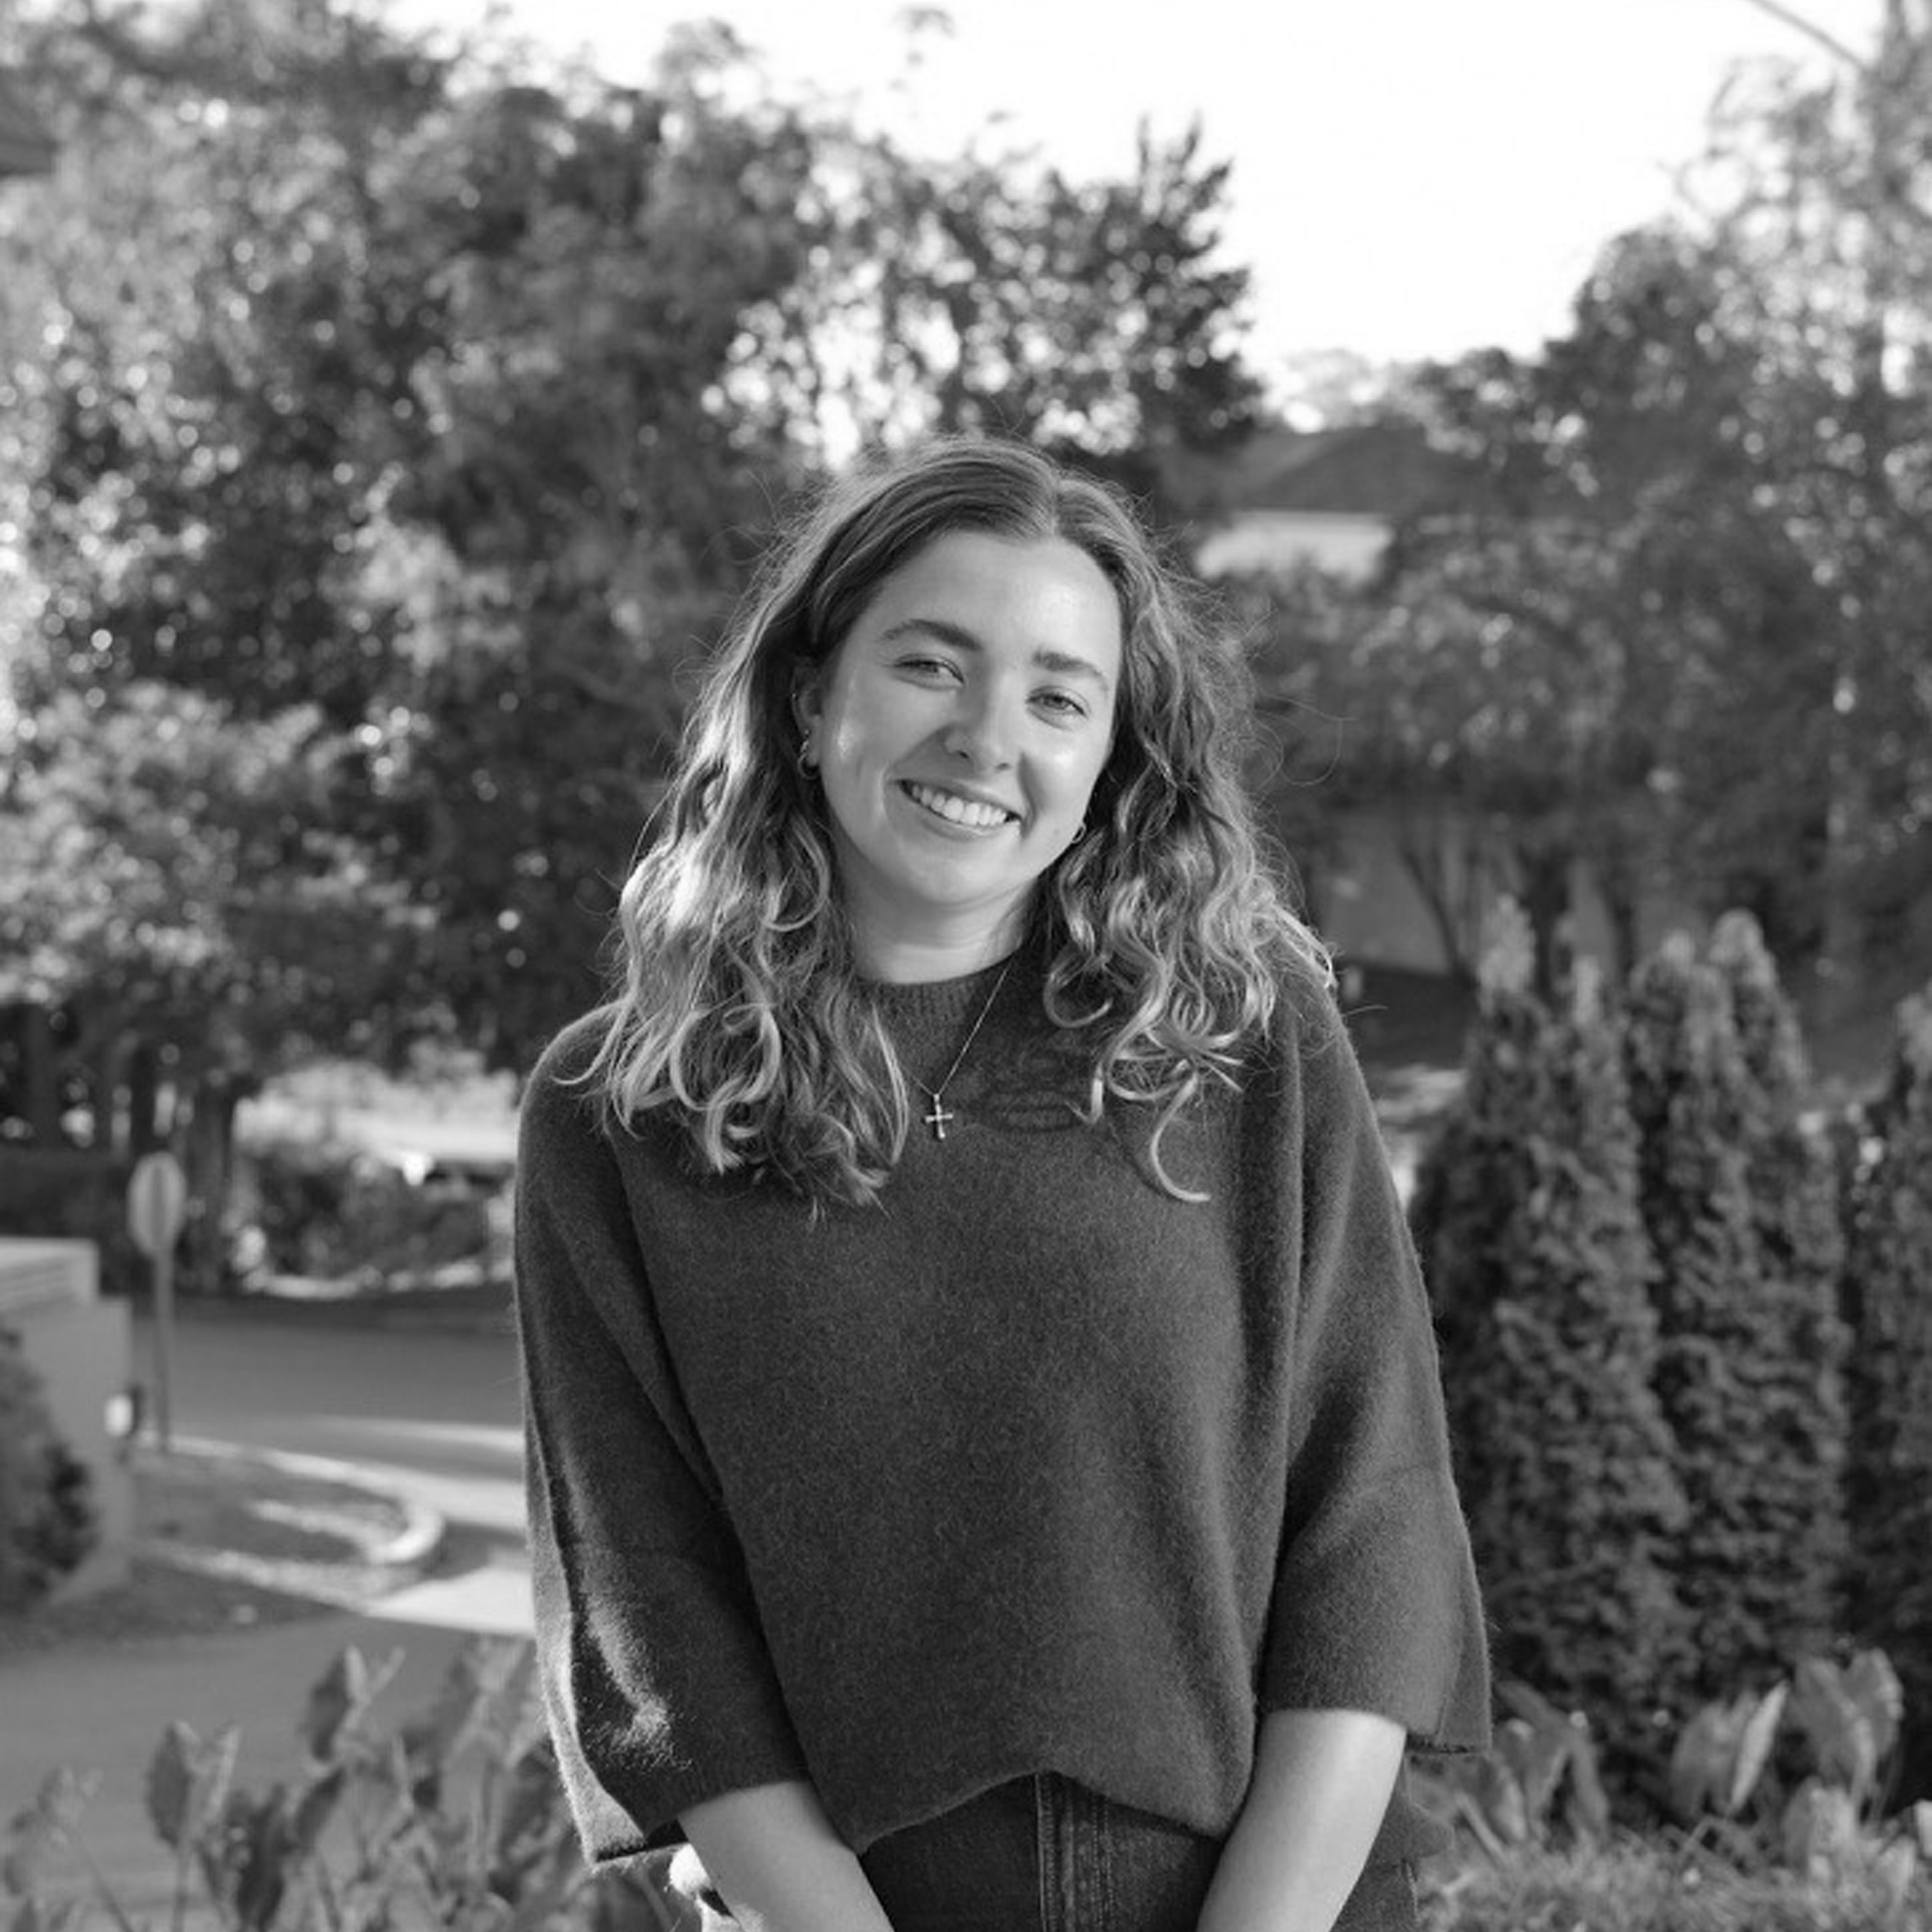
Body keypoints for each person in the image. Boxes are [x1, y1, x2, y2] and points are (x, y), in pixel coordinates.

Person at [513, 436, 1490, 1932]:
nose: (986, 736)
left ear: (1108, 758)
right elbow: (648, 1608)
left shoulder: (1238, 1035)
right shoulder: (617, 1112)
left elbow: (1373, 1527)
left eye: (1055, 695)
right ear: (807, 690)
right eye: (930, 664)